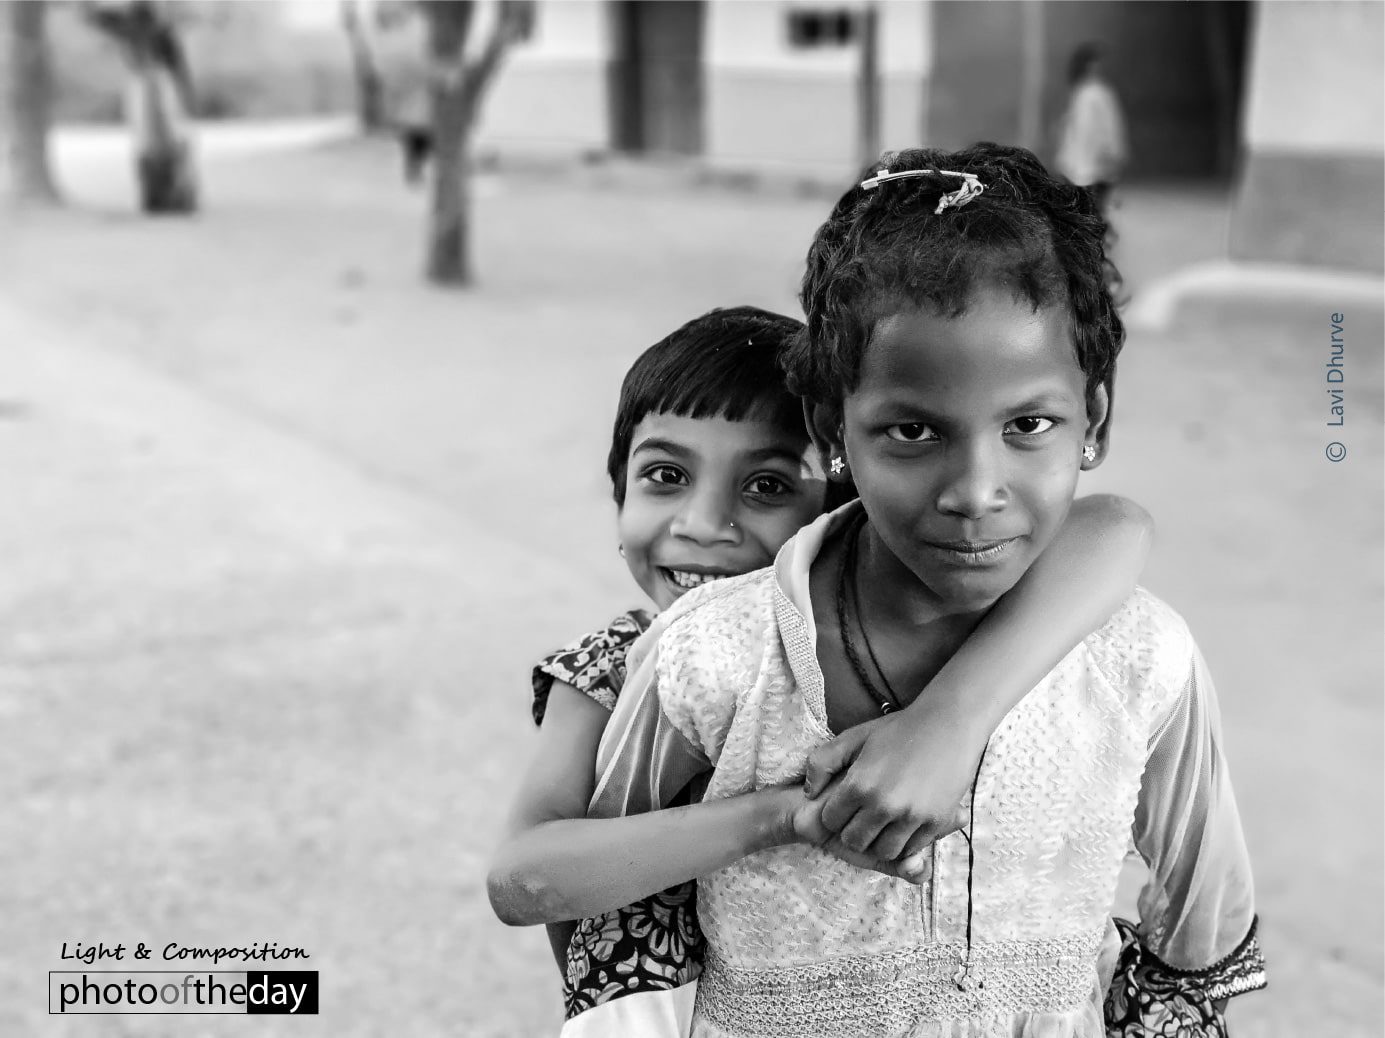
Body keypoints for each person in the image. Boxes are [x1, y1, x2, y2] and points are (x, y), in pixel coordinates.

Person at [583, 145, 1265, 1037]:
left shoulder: (1142, 660)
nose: (975, 490)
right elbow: (606, 901)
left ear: (1090, 422)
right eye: (911, 431)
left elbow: (1201, 917)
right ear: (833, 430)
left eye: (1028, 425)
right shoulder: (714, 654)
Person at [488, 303, 1157, 1035]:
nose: (703, 523)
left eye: (767, 486)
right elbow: (522, 879)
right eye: (665, 475)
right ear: (618, 489)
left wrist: (950, 718)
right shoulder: (608, 669)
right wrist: (778, 817)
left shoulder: (914, 631)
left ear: (849, 496)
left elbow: (1115, 526)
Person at [1055, 43, 1128, 216]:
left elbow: (1111, 127)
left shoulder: (1099, 93)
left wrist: (1113, 151)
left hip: (1097, 162)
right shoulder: (1082, 92)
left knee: (1094, 208)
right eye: (1094, 62)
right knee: (1086, 208)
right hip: (1080, 162)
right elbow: (1073, 129)